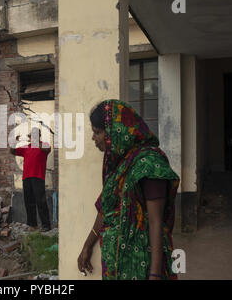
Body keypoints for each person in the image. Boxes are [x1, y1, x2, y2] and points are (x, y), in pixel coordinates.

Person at [77, 99, 180, 280]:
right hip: (118, 267)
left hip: (142, 266)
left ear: (115, 132)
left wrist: (155, 274)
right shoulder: (121, 164)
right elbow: (107, 208)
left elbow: (156, 223)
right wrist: (87, 244)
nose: (94, 138)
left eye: (97, 132)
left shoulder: (149, 165)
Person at [10, 127, 52, 231]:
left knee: (40, 201)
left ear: (38, 136)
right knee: (28, 201)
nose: (31, 137)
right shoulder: (26, 148)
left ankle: (46, 225)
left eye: (34, 135)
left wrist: (36, 142)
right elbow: (12, 151)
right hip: (26, 178)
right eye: (30, 135)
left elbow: (47, 150)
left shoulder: (44, 145)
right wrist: (14, 142)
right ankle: (32, 224)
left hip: (38, 177)